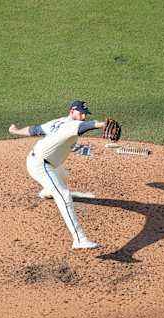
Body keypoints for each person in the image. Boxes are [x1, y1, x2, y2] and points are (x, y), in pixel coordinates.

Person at [8, 100, 109, 250]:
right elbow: (85, 126)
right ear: (72, 111)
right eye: (81, 113)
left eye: (84, 114)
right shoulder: (73, 125)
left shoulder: (59, 122)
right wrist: (102, 124)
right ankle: (79, 240)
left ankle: (47, 192)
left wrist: (16, 131)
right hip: (41, 165)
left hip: (46, 162)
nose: (83, 117)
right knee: (64, 196)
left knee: (63, 176)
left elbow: (35, 130)